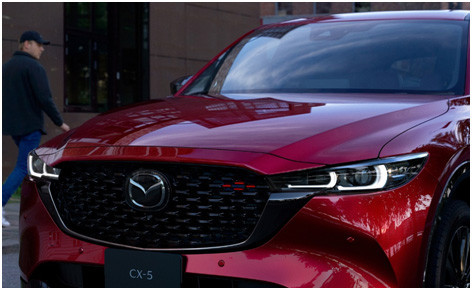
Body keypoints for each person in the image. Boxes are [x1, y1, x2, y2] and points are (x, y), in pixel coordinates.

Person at [2, 31, 70, 227]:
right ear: (26, 44)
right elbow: (45, 98)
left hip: (13, 127)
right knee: (25, 166)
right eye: (39, 44)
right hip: (30, 126)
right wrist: (61, 123)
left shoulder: (6, 67)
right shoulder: (33, 67)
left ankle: (50, 204)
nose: (42, 48)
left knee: (37, 166)